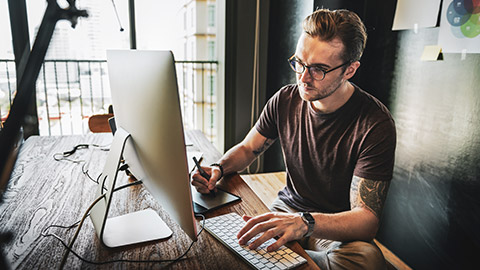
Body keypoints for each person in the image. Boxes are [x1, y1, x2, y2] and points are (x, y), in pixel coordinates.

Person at [192, 8, 396, 270]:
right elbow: (248, 148)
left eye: (319, 69)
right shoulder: (285, 99)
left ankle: (290, 260)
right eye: (299, 62)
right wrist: (218, 169)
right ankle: (296, 260)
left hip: (333, 229)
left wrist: (305, 223)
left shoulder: (375, 124)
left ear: (349, 70)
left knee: (367, 259)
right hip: (287, 210)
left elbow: (366, 220)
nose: (303, 77)